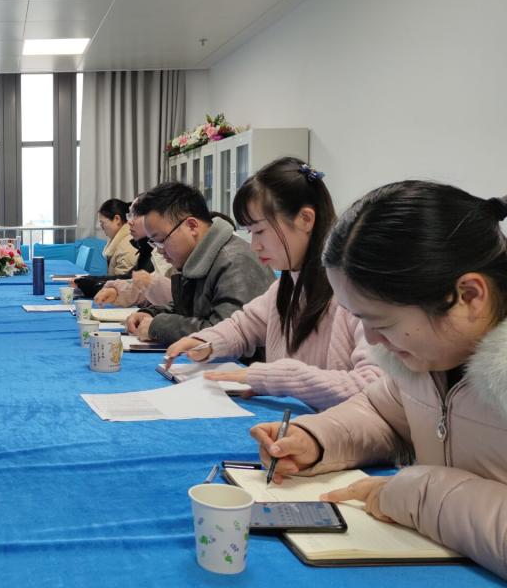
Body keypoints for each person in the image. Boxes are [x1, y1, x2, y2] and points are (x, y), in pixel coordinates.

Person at [249, 181, 507, 579]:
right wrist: (316, 439)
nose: (370, 340)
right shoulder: (426, 359)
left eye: (381, 322)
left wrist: (414, 495)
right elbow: (383, 413)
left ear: (469, 296)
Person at [164, 158, 382, 410]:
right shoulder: (287, 284)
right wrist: (206, 342)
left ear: (305, 219)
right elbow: (243, 326)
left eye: (260, 231)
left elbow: (374, 387)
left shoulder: (355, 292)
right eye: (250, 232)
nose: (255, 246)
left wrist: (277, 378)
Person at [126, 182, 273, 345]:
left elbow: (224, 335)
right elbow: (189, 310)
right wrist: (151, 314)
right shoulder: (200, 258)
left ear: (192, 226)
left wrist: (158, 326)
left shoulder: (235, 261)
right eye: (154, 243)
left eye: (161, 240)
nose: (160, 250)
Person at [95, 211, 174, 308]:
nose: (129, 222)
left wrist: (95, 284)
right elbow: (144, 289)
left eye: (136, 215)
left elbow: (172, 299)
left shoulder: (130, 247)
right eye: (129, 215)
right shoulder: (151, 248)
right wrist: (117, 291)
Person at [97, 198, 139, 276]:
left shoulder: (127, 247)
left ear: (117, 219)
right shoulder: (121, 241)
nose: (102, 227)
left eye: (103, 223)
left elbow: (122, 281)